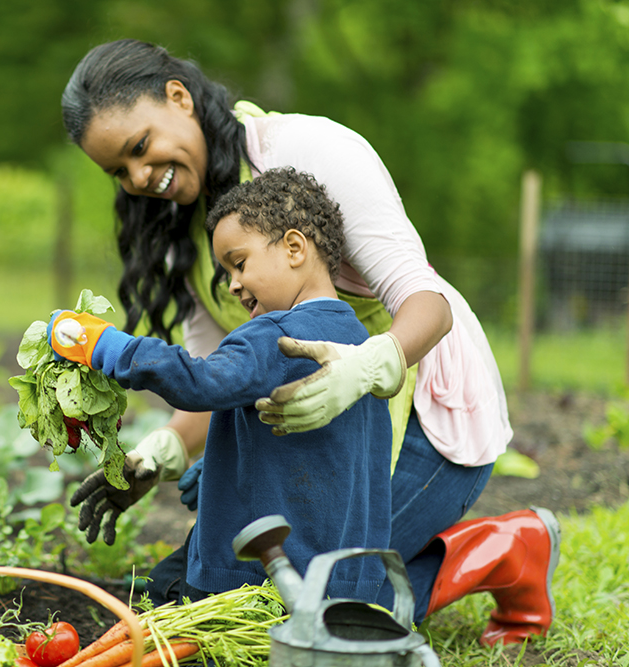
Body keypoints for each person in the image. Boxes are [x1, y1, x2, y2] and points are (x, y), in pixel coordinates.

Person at [58, 38, 561, 646]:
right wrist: (157, 453)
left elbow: (427, 304)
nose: (140, 177)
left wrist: (361, 369)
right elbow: (220, 376)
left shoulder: (306, 151)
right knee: (224, 596)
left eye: (140, 147)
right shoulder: (180, 230)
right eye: (119, 170)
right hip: (310, 442)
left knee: (338, 609)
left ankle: (505, 549)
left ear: (178, 97)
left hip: (422, 417)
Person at [50, 167, 394, 604]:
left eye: (239, 263)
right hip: (343, 580)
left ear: (293, 248)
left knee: (157, 598)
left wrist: (105, 347)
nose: (232, 285)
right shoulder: (357, 344)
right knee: (164, 579)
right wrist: (219, 469)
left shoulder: (272, 334)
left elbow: (201, 382)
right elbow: (318, 451)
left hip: (254, 580)